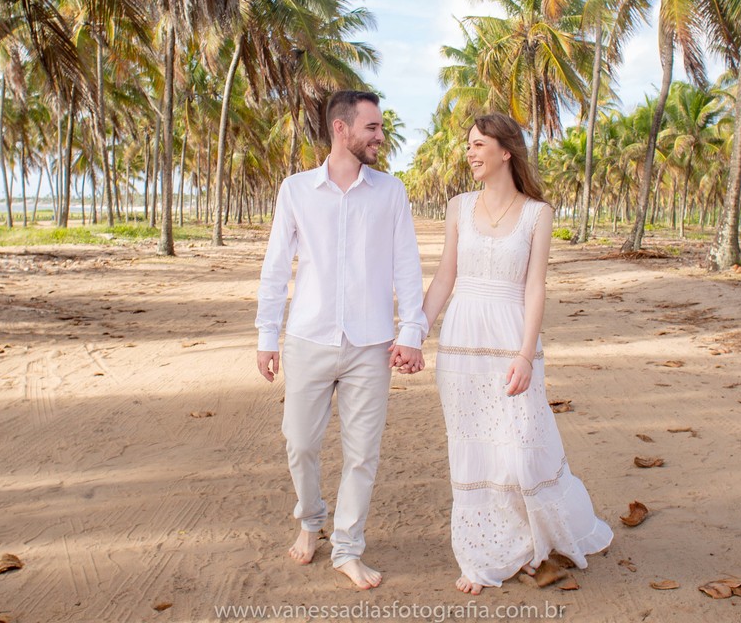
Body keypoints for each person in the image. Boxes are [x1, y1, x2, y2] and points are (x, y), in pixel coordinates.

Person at [421, 112, 613, 595]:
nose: (469, 152)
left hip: (512, 339)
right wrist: (416, 330)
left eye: (478, 143)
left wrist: (527, 354)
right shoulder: (458, 206)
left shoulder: (536, 213)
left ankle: (533, 536)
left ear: (506, 150)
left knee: (521, 448)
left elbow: (535, 286)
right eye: (468, 144)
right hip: (462, 341)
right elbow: (446, 275)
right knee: (473, 448)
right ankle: (486, 550)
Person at [256, 90, 426, 591]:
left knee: (361, 454)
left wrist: (412, 331)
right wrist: (268, 337)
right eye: (371, 127)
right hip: (308, 337)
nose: (379, 136)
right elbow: (274, 269)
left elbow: (407, 267)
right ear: (341, 129)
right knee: (300, 444)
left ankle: (348, 547)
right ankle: (311, 520)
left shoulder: (391, 192)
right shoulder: (296, 190)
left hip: (371, 344)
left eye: (379, 128)